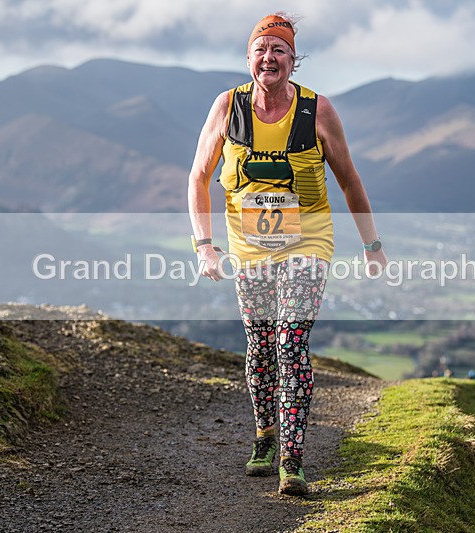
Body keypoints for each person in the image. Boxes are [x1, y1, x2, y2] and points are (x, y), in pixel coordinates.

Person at [187, 12, 387, 496]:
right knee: (260, 346)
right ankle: (265, 436)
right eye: (261, 49)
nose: (269, 58)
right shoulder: (227, 107)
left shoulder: (318, 112)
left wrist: (371, 244)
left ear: (294, 62)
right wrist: (204, 247)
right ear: (249, 58)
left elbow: (349, 181)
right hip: (248, 245)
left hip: (309, 240)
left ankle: (292, 460)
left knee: (290, 341)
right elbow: (197, 178)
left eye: (279, 51)